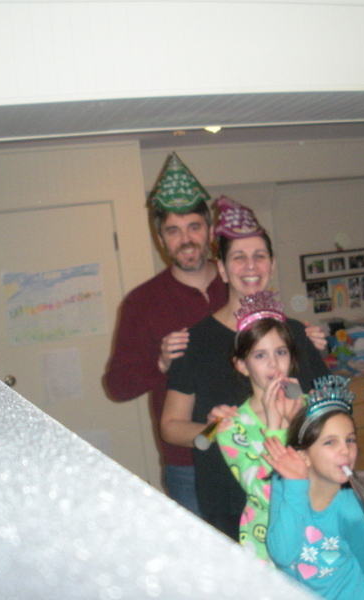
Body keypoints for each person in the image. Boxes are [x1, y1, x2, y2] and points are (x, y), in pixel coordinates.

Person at [161, 196, 329, 540]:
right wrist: (214, 429)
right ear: (222, 269)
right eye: (238, 257)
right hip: (227, 493)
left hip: (298, 488)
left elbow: (327, 411)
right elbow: (171, 426)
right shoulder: (195, 342)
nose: (250, 265)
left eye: (259, 256)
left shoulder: (297, 334)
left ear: (272, 264)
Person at [103, 152, 226, 515]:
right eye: (173, 230)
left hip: (251, 448)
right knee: (202, 551)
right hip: (188, 464)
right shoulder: (142, 302)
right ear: (160, 239)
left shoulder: (237, 284)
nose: (186, 239)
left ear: (210, 231)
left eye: (194, 227)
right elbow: (117, 386)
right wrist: (159, 363)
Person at [263, 375, 364, 600]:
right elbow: (282, 555)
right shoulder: (283, 482)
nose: (346, 450)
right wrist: (295, 485)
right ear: (304, 455)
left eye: (350, 440)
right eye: (330, 442)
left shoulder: (355, 510)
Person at [214, 291, 303, 561]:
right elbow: (265, 492)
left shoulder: (311, 407)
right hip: (268, 545)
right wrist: (276, 426)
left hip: (316, 534)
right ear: (242, 365)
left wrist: (298, 420)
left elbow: (330, 474)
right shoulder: (232, 428)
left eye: (281, 352)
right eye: (260, 355)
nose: (274, 363)